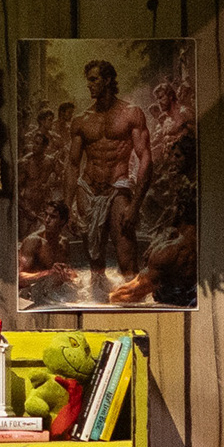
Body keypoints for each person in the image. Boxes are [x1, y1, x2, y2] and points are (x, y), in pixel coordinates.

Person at [61, 57, 153, 284]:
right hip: (87, 189)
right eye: (88, 80)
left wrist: (135, 204)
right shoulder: (81, 120)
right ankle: (98, 298)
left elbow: (145, 158)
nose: (89, 85)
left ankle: (130, 300)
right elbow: (72, 164)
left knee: (127, 262)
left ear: (108, 80)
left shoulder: (131, 114)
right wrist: (68, 207)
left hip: (117, 189)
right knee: (95, 263)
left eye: (94, 79)